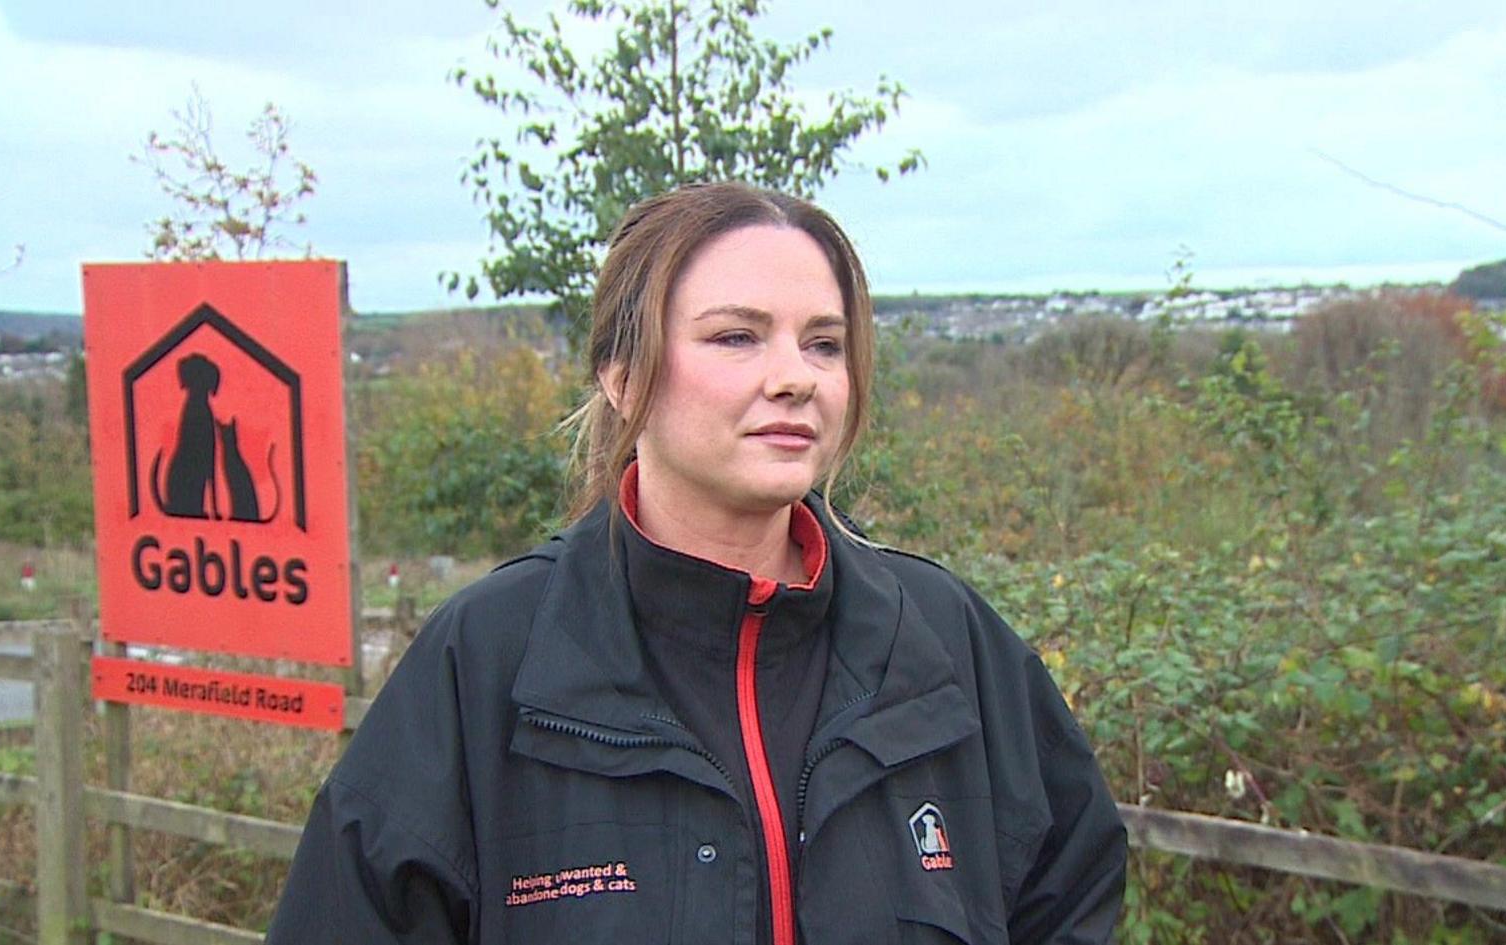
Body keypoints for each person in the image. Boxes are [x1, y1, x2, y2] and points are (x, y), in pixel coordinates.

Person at [267, 182, 1127, 944]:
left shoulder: (938, 639)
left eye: (824, 344)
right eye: (737, 337)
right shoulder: (492, 658)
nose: (796, 377)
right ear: (620, 369)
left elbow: (1072, 881)